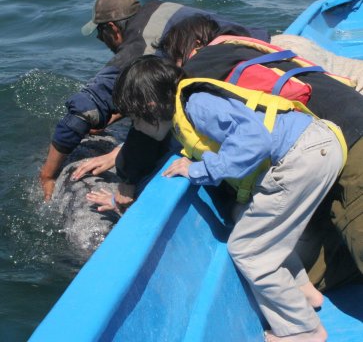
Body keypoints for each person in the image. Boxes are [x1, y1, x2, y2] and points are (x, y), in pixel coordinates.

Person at [92, 55, 345, 341]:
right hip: (316, 147)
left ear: (150, 106)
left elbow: (255, 141)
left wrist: (200, 170)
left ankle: (303, 330)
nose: (136, 127)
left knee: (248, 250)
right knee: (250, 220)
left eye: (135, 119)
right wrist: (119, 200)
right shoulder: (182, 110)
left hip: (303, 155)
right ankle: (301, 291)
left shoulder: (198, 105)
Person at [39, 0, 269, 201]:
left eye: (101, 34)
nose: (103, 41)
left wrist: (48, 175)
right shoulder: (164, 10)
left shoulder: (137, 50)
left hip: (249, 113)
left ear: (112, 29)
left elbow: (83, 110)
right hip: (265, 60)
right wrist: (114, 114)